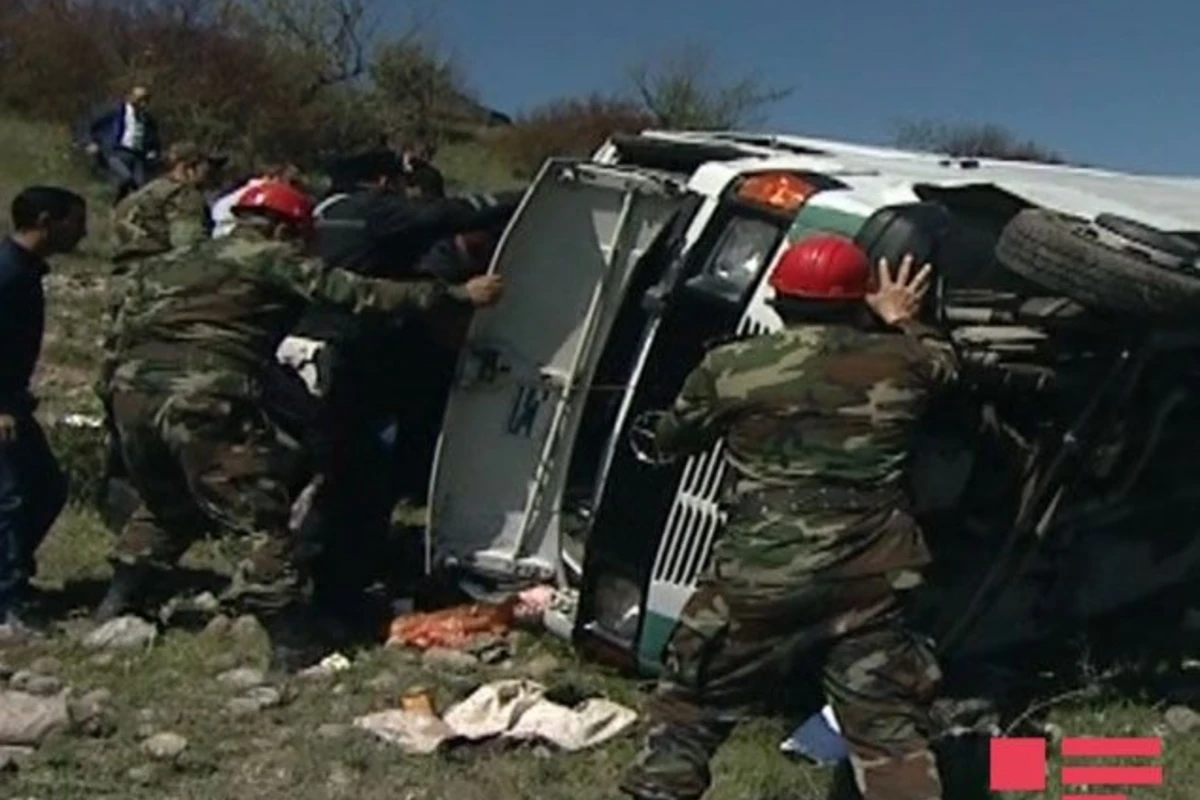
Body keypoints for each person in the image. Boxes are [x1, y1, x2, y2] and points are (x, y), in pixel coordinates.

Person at [94, 180, 504, 673]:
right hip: (205, 395)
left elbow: (116, 331)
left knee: (167, 502)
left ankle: (120, 602)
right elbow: (355, 293)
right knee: (257, 514)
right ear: (284, 229)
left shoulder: (163, 264)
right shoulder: (266, 256)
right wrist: (456, 294)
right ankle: (291, 637)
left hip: (131, 396)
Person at [617, 235, 956, 800]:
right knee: (887, 734)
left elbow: (674, 437)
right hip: (871, 580)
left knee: (688, 709)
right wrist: (899, 319)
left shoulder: (731, 366)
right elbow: (946, 364)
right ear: (860, 300)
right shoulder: (905, 364)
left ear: (777, 300)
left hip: (760, 577)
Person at [280, 149, 520, 623]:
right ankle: (334, 594)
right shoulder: (372, 211)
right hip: (339, 356)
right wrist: (530, 196)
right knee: (356, 476)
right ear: (382, 181)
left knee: (324, 465)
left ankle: (310, 566)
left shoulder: (324, 215)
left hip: (297, 353)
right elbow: (451, 214)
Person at [0, 187, 88, 637]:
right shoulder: (8, 273)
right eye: (76, 221)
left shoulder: (26, 270)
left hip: (13, 400)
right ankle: (7, 602)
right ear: (47, 221)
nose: (85, 232)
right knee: (12, 496)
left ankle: (14, 577)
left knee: (45, 488)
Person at [110, 140, 224, 263]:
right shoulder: (184, 195)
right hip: (157, 269)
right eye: (207, 167)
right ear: (189, 167)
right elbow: (188, 246)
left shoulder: (145, 192)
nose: (212, 173)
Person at [86, 85, 161, 204]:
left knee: (140, 188)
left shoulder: (147, 120)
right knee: (126, 179)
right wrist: (92, 142)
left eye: (146, 99)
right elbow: (93, 125)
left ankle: (120, 209)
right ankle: (118, 206)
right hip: (116, 152)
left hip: (137, 156)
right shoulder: (115, 112)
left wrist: (152, 151)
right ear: (130, 98)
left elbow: (154, 139)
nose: (143, 103)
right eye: (140, 99)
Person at [211, 163, 302, 238]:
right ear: (274, 178)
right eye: (290, 182)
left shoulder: (251, 189)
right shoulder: (258, 190)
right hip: (232, 231)